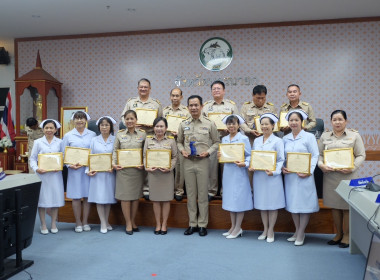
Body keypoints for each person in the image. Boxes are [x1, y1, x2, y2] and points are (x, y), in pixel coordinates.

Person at [318, 110, 366, 248]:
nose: (337, 122)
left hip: (348, 176)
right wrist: (321, 165)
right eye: (334, 119)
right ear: (331, 121)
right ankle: (338, 234)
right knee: (334, 206)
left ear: (346, 121)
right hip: (330, 176)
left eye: (340, 119)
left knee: (346, 207)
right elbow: (319, 154)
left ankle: (347, 235)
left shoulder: (354, 135)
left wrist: (353, 167)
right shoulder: (325, 136)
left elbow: (361, 155)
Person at [177, 95, 220, 236]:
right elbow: (179, 141)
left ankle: (202, 224)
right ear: (188, 107)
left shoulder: (209, 124)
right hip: (188, 162)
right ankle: (192, 224)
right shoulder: (183, 124)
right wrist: (182, 150)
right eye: (191, 105)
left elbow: (216, 142)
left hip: (202, 162)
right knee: (190, 194)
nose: (194, 108)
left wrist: (208, 152)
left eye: (196, 105)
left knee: (202, 194)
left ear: (201, 106)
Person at [120, 78, 162, 200]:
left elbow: (160, 121)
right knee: (136, 162)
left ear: (150, 89)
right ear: (138, 88)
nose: (143, 89)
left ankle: (147, 189)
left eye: (146, 87)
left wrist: (152, 125)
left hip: (149, 136)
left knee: (149, 162)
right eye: (141, 87)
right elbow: (123, 117)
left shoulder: (156, 103)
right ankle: (138, 187)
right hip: (134, 136)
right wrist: (131, 123)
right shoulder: (131, 102)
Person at [282, 109, 319, 246]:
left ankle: (301, 233)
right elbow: (282, 157)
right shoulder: (285, 138)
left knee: (304, 204)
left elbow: (315, 155)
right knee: (293, 204)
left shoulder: (309, 137)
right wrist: (282, 167)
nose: (293, 123)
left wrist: (309, 171)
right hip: (291, 176)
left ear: (301, 122)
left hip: (304, 176)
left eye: (296, 120)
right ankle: (297, 231)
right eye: (291, 120)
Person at [249, 113, 285, 243]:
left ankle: (271, 230)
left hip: (272, 177)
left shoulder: (278, 141)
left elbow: (281, 160)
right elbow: (254, 157)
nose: (264, 126)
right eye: (262, 124)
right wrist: (252, 166)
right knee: (262, 204)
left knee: (272, 204)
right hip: (259, 176)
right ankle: (265, 229)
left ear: (273, 126)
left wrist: (274, 172)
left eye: (267, 124)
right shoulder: (257, 140)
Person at [202, 80, 238, 200]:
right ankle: (211, 191)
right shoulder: (206, 106)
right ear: (211, 91)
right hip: (211, 141)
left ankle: (224, 191)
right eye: (214, 89)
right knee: (211, 167)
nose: (216, 90)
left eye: (219, 88)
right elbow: (203, 123)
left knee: (226, 167)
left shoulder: (231, 105)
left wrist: (232, 129)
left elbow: (237, 122)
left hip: (227, 140)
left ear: (224, 91)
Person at [218, 115, 253, 239]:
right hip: (228, 173)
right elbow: (224, 155)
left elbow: (249, 156)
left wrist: (245, 163)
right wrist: (220, 156)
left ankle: (238, 227)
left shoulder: (243, 138)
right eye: (229, 124)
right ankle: (233, 226)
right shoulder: (224, 139)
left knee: (239, 199)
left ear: (238, 125)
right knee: (230, 200)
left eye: (233, 124)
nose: (231, 126)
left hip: (239, 172)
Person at [62, 111, 96, 233]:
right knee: (76, 197)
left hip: (87, 170)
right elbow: (63, 155)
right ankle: (78, 222)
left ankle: (85, 221)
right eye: (77, 118)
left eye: (82, 118)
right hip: (74, 171)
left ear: (86, 120)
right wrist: (69, 165)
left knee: (87, 196)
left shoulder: (92, 134)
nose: (80, 121)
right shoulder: (68, 136)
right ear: (73, 121)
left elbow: (94, 152)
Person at [113, 110, 146, 235]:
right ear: (124, 121)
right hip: (123, 170)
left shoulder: (142, 134)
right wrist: (114, 164)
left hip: (137, 171)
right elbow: (115, 150)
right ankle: (127, 223)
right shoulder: (120, 134)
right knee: (126, 198)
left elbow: (145, 152)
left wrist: (143, 163)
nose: (130, 121)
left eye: (132, 118)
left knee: (135, 197)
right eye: (127, 119)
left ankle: (133, 221)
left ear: (136, 120)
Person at [143, 117, 178, 235]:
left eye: (161, 126)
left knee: (166, 200)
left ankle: (164, 224)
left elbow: (175, 157)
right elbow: (144, 156)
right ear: (153, 128)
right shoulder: (148, 140)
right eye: (157, 126)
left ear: (166, 128)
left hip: (166, 174)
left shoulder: (171, 140)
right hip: (153, 174)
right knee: (156, 200)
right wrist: (146, 166)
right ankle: (157, 224)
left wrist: (170, 168)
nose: (159, 129)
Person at [29, 119, 64, 234]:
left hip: (55, 175)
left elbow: (63, 157)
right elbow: (32, 158)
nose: (49, 130)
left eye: (51, 128)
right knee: (42, 200)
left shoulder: (60, 142)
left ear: (55, 130)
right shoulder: (38, 142)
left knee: (55, 199)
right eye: (46, 128)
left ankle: (53, 223)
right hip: (42, 175)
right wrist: (36, 168)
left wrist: (60, 165)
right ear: (43, 129)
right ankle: (43, 224)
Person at [240, 85, 277, 187]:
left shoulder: (270, 107)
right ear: (253, 95)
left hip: (267, 141)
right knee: (252, 164)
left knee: (266, 163)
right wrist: (249, 130)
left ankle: (265, 187)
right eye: (258, 98)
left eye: (263, 98)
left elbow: (275, 123)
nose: (260, 101)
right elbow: (241, 122)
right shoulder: (246, 106)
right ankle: (251, 189)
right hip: (251, 140)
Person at [87, 116, 117, 234]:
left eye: (107, 125)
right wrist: (89, 170)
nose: (104, 127)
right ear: (98, 127)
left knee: (108, 198)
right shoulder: (94, 140)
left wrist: (113, 168)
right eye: (102, 125)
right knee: (100, 199)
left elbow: (117, 156)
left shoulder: (115, 139)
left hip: (110, 173)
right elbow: (90, 155)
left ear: (111, 127)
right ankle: (103, 223)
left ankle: (107, 221)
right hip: (97, 174)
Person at [163, 88, 190, 201]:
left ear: (181, 97)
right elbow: (159, 125)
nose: (175, 98)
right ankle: (167, 189)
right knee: (166, 165)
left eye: (177, 96)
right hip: (166, 141)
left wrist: (181, 132)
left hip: (180, 141)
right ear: (170, 96)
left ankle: (179, 190)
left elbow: (189, 126)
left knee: (179, 167)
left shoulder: (186, 111)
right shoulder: (164, 111)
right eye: (173, 95)